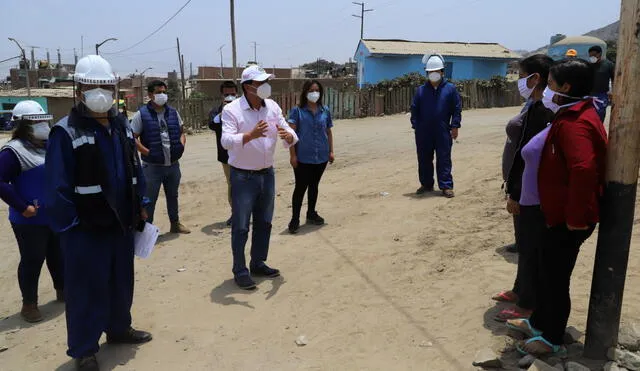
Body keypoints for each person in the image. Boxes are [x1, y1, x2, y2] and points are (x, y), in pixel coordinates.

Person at [46, 55, 152, 371]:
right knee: (86, 290)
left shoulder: (121, 126)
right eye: (93, 87)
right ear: (79, 90)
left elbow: (136, 170)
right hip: (86, 229)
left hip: (120, 224)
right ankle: (84, 349)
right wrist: (73, 228)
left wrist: (142, 205)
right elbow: (57, 190)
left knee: (121, 282)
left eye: (106, 85)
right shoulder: (65, 132)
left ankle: (118, 329)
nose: (101, 92)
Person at [507, 58, 607, 357]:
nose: (546, 89)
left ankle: (550, 337)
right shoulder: (568, 114)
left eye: (550, 84)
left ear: (565, 87)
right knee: (545, 270)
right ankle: (538, 323)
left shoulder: (576, 123)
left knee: (554, 276)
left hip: (568, 218)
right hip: (556, 213)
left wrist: (575, 217)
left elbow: (584, 168)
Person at [221, 65, 298, 290]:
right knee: (242, 225)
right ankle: (240, 270)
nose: (265, 86)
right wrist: (249, 136)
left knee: (264, 222)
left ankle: (257, 262)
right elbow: (225, 141)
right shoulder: (232, 110)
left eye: (266, 81)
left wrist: (289, 136)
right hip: (242, 176)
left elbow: (289, 131)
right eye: (259, 83)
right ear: (247, 87)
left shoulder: (272, 107)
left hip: (267, 173)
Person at [492, 55, 555, 321]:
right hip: (518, 187)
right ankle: (521, 290)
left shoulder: (546, 111)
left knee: (531, 248)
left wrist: (516, 193)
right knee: (524, 244)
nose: (518, 80)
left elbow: (532, 158)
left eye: (521, 74)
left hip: (529, 192)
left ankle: (527, 304)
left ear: (535, 78)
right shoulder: (533, 104)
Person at [0, 100, 64, 323]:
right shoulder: (12, 152)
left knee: (58, 255)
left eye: (43, 121)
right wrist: (21, 206)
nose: (42, 125)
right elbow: (1, 182)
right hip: (29, 219)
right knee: (32, 259)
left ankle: (62, 290)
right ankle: (29, 304)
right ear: (23, 125)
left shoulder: (48, 144)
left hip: (53, 214)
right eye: (36, 122)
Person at [131, 80, 190, 234]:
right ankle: (147, 232)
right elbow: (132, 138)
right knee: (149, 200)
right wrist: (147, 152)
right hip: (152, 167)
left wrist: (182, 144)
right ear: (150, 95)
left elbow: (182, 131)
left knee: (173, 196)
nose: (162, 95)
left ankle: (175, 224)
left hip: (173, 165)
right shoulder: (141, 114)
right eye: (158, 92)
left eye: (164, 92)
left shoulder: (173, 112)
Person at [410, 54, 462, 198]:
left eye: (437, 71)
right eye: (431, 72)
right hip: (423, 132)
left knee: (444, 158)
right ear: (427, 73)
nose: (434, 74)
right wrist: (416, 126)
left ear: (442, 72)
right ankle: (426, 184)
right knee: (424, 158)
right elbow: (414, 109)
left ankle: (446, 186)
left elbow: (456, 108)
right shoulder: (421, 90)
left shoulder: (450, 89)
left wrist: (455, 126)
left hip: (443, 130)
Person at [287, 80, 335, 234]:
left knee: (314, 185)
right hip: (303, 157)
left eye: (317, 90)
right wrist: (293, 155)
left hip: (320, 156)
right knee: (300, 188)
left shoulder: (325, 110)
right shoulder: (297, 111)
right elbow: (291, 135)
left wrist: (331, 151)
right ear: (305, 92)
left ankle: (311, 213)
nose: (314, 93)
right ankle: (295, 218)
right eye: (311, 90)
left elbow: (328, 132)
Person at [208, 80, 239, 226]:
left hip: (244, 154)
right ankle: (235, 213)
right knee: (232, 184)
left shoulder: (243, 109)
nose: (230, 97)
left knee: (247, 184)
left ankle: (247, 212)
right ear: (222, 95)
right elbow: (212, 124)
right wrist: (224, 112)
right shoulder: (216, 111)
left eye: (233, 94)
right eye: (227, 95)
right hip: (226, 156)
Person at [588, 45, 615, 122]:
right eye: (590, 56)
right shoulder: (589, 65)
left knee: (600, 117)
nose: (592, 57)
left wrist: (612, 92)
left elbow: (614, 79)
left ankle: (599, 132)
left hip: (602, 96)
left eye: (594, 55)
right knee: (589, 117)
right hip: (589, 95)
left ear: (600, 54)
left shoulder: (608, 65)